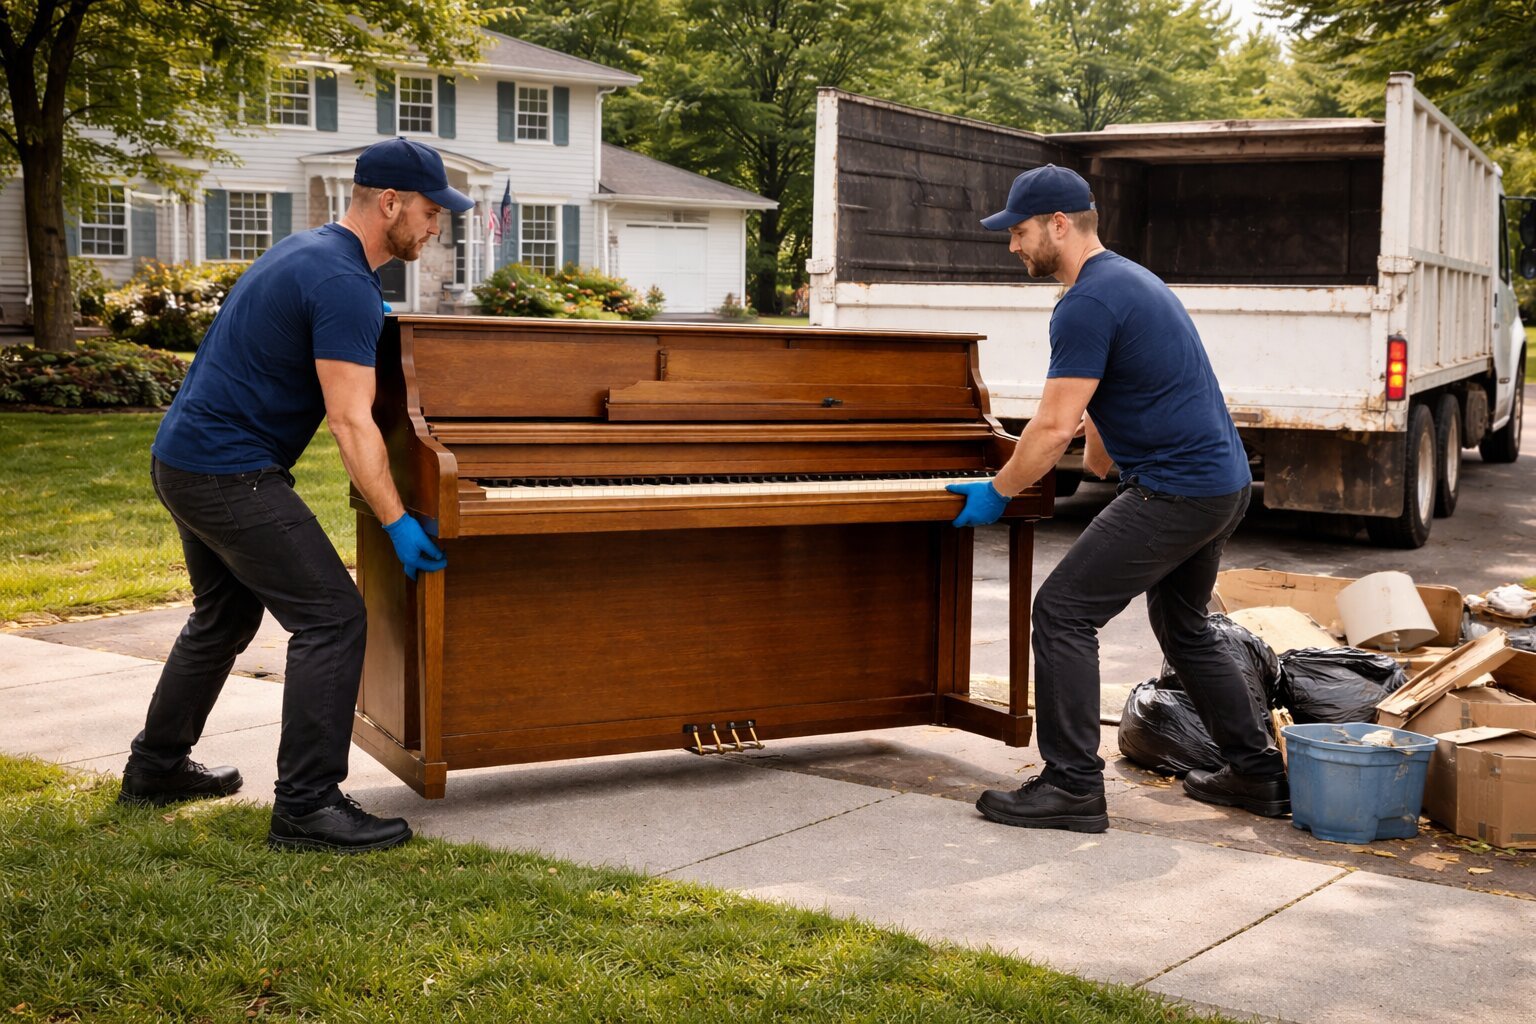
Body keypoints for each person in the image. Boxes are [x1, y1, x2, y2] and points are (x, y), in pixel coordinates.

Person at [117, 137, 474, 853]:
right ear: (390, 202)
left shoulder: (306, 251)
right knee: (333, 618)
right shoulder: (344, 284)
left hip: (182, 458)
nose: (437, 228)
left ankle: (156, 768)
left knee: (223, 617)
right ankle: (307, 807)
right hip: (227, 471)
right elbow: (350, 421)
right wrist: (399, 520)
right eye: (432, 212)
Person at [946, 164, 1287, 834]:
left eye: (1018, 231)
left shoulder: (1086, 302)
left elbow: (1050, 428)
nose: (1012, 245)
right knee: (1183, 625)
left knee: (1063, 613)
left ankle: (1072, 786)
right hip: (1221, 483)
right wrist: (1104, 456)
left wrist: (997, 491)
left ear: (1059, 224)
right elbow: (1103, 398)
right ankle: (1256, 772)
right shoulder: (1124, 280)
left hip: (1179, 488)